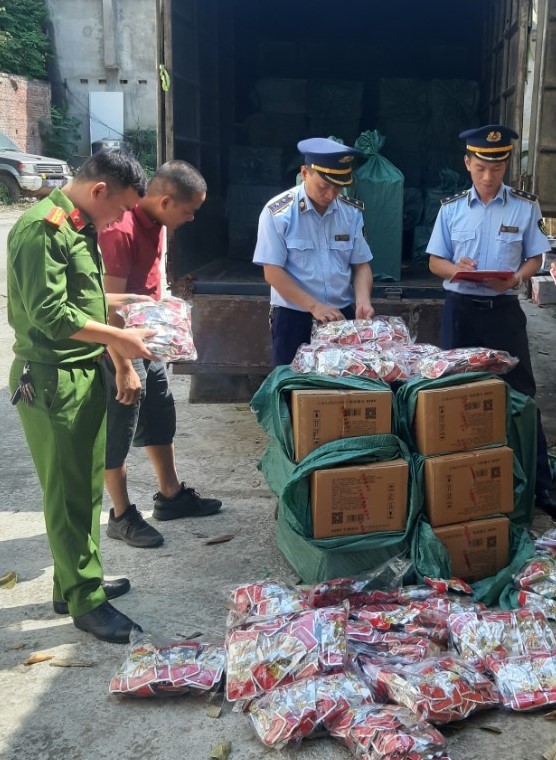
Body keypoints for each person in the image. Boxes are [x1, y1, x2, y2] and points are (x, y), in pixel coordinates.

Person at [7, 149, 157, 644]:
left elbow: (77, 297)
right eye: (120, 209)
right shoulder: (42, 229)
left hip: (79, 372)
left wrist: (122, 302)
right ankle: (86, 602)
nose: (120, 220)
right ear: (99, 190)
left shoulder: (77, 225)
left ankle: (69, 584)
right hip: (51, 380)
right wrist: (119, 340)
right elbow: (50, 314)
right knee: (68, 493)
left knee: (85, 487)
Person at [427, 124, 556, 516]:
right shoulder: (450, 209)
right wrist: (456, 269)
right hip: (461, 312)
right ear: (468, 163)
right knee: (452, 395)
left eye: (497, 168)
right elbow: (434, 261)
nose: (488, 176)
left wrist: (515, 278)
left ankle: (542, 485)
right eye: (481, 167)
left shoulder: (525, 206)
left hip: (504, 314)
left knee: (521, 396)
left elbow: (536, 257)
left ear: (506, 166)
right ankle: (451, 485)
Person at [97, 161, 222, 549]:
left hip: (149, 339)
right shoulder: (121, 231)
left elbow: (152, 282)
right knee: (119, 427)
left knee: (160, 414)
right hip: (119, 343)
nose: (191, 218)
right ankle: (121, 515)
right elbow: (107, 308)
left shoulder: (158, 225)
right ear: (166, 201)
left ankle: (171, 496)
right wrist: (122, 366)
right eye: (188, 211)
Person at [253, 137, 375, 366]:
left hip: (341, 318)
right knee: (293, 383)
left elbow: (361, 265)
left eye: (338, 187)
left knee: (344, 383)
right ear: (304, 173)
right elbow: (272, 272)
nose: (330, 194)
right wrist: (314, 306)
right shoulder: (278, 213)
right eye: (323, 186)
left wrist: (363, 301)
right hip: (294, 318)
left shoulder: (350, 213)